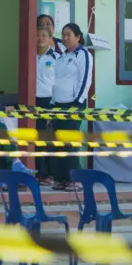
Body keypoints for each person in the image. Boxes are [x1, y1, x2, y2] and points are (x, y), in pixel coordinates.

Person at [50, 23, 93, 191]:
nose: (65, 38)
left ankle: (76, 180)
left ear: (78, 37)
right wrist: (53, 103)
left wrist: (77, 103)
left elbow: (85, 80)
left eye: (69, 35)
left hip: (73, 105)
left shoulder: (84, 55)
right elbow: (56, 82)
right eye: (64, 35)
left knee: (70, 143)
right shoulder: (60, 58)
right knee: (57, 143)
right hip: (57, 105)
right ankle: (62, 179)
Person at [35, 26, 59, 185]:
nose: (40, 38)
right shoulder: (30, 56)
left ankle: (49, 174)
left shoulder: (57, 58)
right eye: (37, 35)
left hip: (49, 101)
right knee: (36, 139)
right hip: (33, 101)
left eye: (44, 35)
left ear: (50, 38)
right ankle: (39, 173)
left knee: (48, 139)